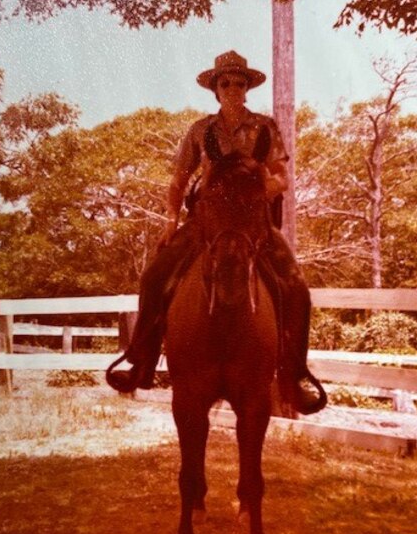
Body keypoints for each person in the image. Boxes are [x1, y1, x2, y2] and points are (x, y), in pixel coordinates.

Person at [107, 51, 325, 414]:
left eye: (240, 83)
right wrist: (170, 221)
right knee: (154, 275)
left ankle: (295, 374)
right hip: (206, 222)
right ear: (215, 89)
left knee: (296, 286)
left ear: (247, 87)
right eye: (225, 83)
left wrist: (256, 189)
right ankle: (140, 361)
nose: (233, 89)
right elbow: (178, 180)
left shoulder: (265, 127)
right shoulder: (200, 131)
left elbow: (282, 177)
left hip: (255, 224)